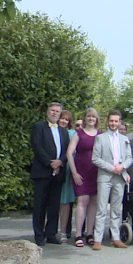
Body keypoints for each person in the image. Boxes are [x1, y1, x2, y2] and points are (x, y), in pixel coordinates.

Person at [91, 110, 133, 250]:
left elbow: (130, 158)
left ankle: (116, 237)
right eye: (112, 121)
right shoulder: (100, 138)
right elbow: (95, 158)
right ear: (107, 122)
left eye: (116, 121)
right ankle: (97, 238)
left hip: (119, 176)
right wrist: (111, 168)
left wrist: (122, 166)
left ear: (119, 122)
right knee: (102, 208)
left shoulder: (124, 139)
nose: (114, 123)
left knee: (116, 209)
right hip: (105, 176)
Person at [31, 102, 68, 246]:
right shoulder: (38, 127)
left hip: (58, 172)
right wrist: (50, 162)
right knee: (40, 205)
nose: (54, 113)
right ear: (47, 112)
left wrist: (60, 162)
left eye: (57, 111)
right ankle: (39, 235)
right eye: (52, 110)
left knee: (54, 205)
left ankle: (51, 233)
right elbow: (37, 146)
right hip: (42, 171)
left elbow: (67, 151)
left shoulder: (64, 131)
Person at [67, 108, 100, 247]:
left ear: (97, 119)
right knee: (82, 201)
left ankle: (90, 233)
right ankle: (78, 234)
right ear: (85, 118)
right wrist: (74, 173)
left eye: (93, 117)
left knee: (93, 202)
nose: (91, 119)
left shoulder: (100, 134)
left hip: (96, 172)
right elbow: (69, 153)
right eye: (88, 116)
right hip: (81, 172)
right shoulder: (78, 133)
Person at [57, 109, 76, 242]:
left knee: (65, 202)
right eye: (62, 118)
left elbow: (74, 153)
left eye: (66, 120)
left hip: (67, 169)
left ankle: (64, 231)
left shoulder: (72, 133)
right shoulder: (50, 130)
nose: (63, 121)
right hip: (51, 168)